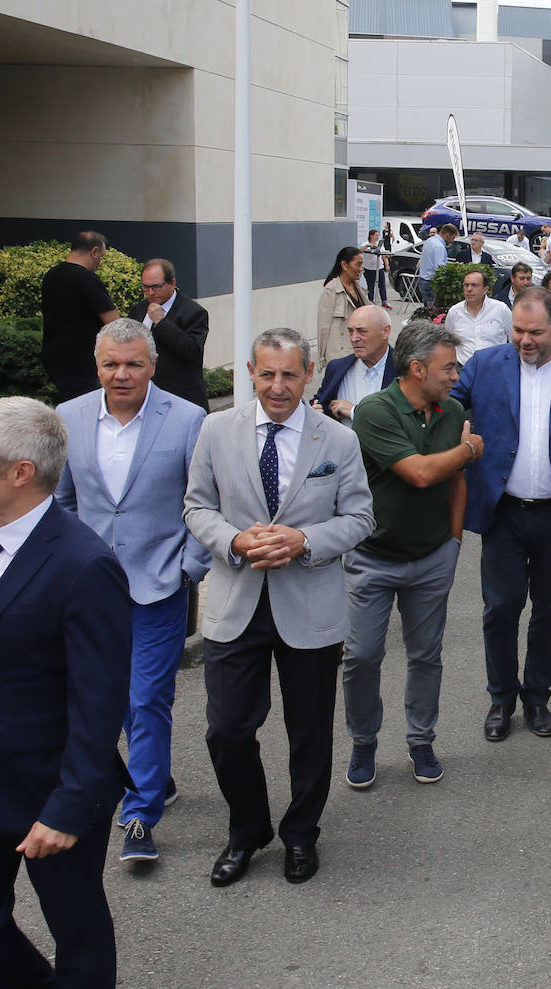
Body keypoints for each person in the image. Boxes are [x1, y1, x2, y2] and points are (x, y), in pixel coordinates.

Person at [184, 327, 374, 887]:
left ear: (308, 374)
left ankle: (300, 835)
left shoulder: (337, 441)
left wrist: (304, 541)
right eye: (267, 374)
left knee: (309, 731)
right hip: (236, 600)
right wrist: (236, 542)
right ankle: (247, 830)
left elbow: (360, 519)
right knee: (226, 730)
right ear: (250, 372)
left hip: (309, 602)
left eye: (290, 374)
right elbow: (196, 507)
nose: (278, 386)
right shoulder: (217, 430)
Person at [0, 397, 132, 988]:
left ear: (20, 473)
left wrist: (66, 808)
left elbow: (99, 701)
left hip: (51, 793)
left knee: (77, 929)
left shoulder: (85, 566)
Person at [54, 318, 210, 865]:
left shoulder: (189, 420)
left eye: (134, 364)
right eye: (111, 365)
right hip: (91, 591)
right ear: (97, 366)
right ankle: (155, 776)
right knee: (110, 697)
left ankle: (140, 813)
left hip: (160, 585)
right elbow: (64, 503)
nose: (122, 375)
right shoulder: (68, 419)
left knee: (147, 699)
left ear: (152, 365)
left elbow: (203, 504)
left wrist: (190, 568)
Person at [450, 287, 551, 742]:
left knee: (549, 612)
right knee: (500, 608)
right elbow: (448, 408)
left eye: (535, 332)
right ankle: (500, 697)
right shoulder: (484, 365)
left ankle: (537, 695)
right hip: (503, 512)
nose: (524, 340)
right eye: (518, 330)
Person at [342, 323, 479, 791]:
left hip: (432, 556)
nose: (456, 376)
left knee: (426, 656)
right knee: (361, 656)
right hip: (372, 558)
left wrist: (454, 541)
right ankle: (364, 741)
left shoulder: (453, 410)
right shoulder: (374, 411)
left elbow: (456, 481)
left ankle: (421, 740)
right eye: (448, 367)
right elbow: (420, 474)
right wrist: (466, 450)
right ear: (417, 369)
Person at [40, 231, 121, 402]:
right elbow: (113, 322)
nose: (100, 261)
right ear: (94, 252)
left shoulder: (51, 275)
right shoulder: (86, 279)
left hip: (55, 358)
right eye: (101, 256)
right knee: (84, 411)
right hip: (81, 361)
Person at [128, 257, 211, 410]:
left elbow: (193, 352)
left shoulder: (193, 312)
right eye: (145, 287)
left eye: (156, 287)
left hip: (180, 398)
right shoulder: (138, 310)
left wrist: (162, 323)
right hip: (144, 398)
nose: (150, 293)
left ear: (172, 283)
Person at [311, 304, 396, 425]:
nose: (354, 338)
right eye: (351, 331)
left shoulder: (404, 370)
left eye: (362, 331)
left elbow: (406, 420)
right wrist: (315, 411)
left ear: (385, 331)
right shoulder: (336, 368)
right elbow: (319, 402)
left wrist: (353, 411)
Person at [445, 268, 513, 366]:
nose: (469, 289)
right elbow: (448, 343)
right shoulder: (455, 312)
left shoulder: (500, 309)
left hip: (494, 369)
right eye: (466, 285)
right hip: (463, 371)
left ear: (485, 289)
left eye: (474, 285)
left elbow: (513, 339)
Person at [317, 246, 367, 364]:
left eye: (362, 265)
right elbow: (323, 326)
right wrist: (322, 357)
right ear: (344, 265)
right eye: (358, 265)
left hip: (358, 353)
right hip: (340, 356)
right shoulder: (331, 290)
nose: (361, 269)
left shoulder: (358, 288)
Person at [417, 223, 458, 306]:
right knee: (434, 311)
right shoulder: (439, 246)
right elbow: (440, 268)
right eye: (453, 238)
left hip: (423, 280)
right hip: (432, 283)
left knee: (427, 309)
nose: (452, 241)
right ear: (447, 235)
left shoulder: (429, 241)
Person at [360, 229, 391, 310]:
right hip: (369, 268)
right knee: (370, 285)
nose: (377, 237)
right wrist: (368, 246)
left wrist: (386, 264)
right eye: (376, 235)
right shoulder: (365, 243)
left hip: (379, 267)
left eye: (378, 235)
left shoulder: (379, 244)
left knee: (382, 285)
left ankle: (384, 301)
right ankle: (370, 301)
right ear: (371, 236)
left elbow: (383, 255)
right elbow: (360, 250)